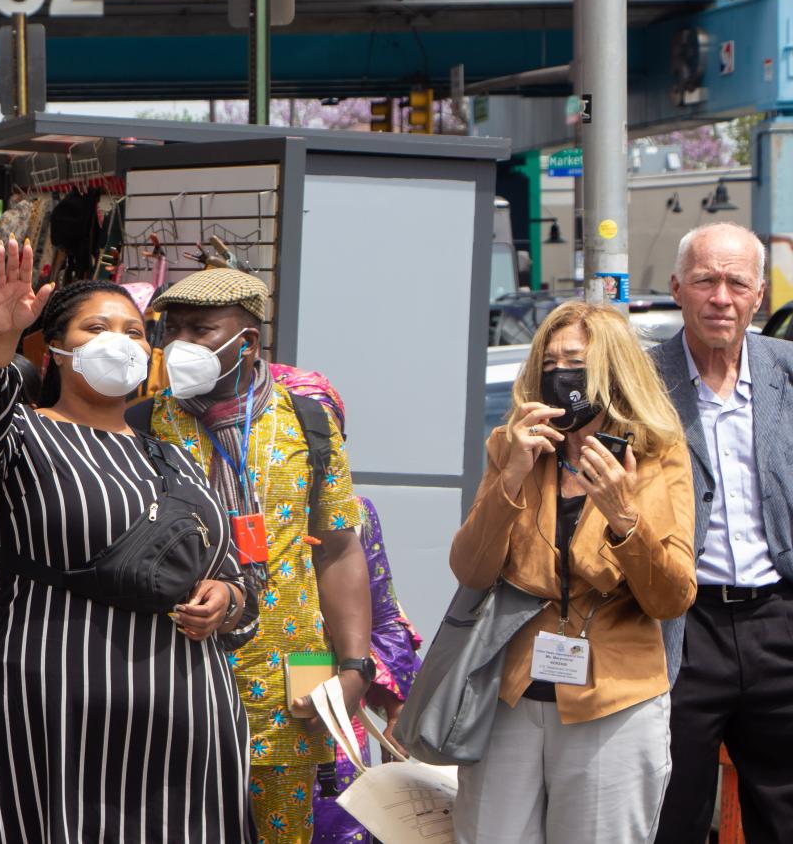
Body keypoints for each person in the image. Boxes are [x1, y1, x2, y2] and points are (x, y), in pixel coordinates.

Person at [0, 241, 256, 841]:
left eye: (134, 331)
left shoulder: (176, 459)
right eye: (97, 327)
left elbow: (238, 576)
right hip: (58, 715)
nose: (120, 341)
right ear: (53, 350)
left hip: (186, 719)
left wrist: (227, 600)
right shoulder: (18, 438)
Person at [448, 300, 695, 843]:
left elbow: (672, 598)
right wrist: (510, 478)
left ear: (612, 370)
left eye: (576, 362)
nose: (562, 376)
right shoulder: (514, 448)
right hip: (513, 692)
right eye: (551, 362)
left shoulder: (657, 455)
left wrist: (623, 517)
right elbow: (470, 567)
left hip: (614, 699)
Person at [147, 270, 373, 842]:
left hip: (291, 681)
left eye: (201, 330)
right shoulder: (145, 424)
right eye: (172, 331)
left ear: (246, 342)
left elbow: (341, 548)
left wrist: (355, 667)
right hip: (175, 677)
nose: (182, 346)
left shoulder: (309, 422)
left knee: (283, 834)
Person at [652, 223, 793, 844]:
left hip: (778, 620)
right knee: (672, 811)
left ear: (758, 294)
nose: (721, 297)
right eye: (706, 280)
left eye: (737, 282)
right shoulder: (641, 379)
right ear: (678, 287)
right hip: (681, 625)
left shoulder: (787, 371)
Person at [264, 364, 423, 844]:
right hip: (237, 701)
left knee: (337, 826)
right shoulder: (227, 504)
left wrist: (396, 701)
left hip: (331, 702)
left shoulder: (358, 515)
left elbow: (387, 615)